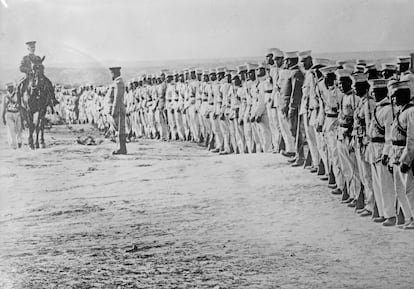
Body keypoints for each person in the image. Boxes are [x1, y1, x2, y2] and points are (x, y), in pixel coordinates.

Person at [109, 66, 127, 155]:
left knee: (120, 129)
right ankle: (120, 147)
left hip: (118, 109)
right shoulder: (117, 82)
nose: (111, 75)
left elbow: (117, 97)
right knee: (118, 129)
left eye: (112, 73)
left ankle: (121, 148)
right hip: (118, 108)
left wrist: (114, 110)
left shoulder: (118, 82)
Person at [2, 82, 23, 149]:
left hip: (17, 113)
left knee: (19, 129)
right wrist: (3, 117)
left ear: (13, 87)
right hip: (9, 114)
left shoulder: (17, 95)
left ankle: (19, 142)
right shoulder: (5, 97)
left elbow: (20, 104)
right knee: (11, 130)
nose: (9, 89)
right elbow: (4, 107)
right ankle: (13, 145)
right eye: (8, 87)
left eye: (11, 87)